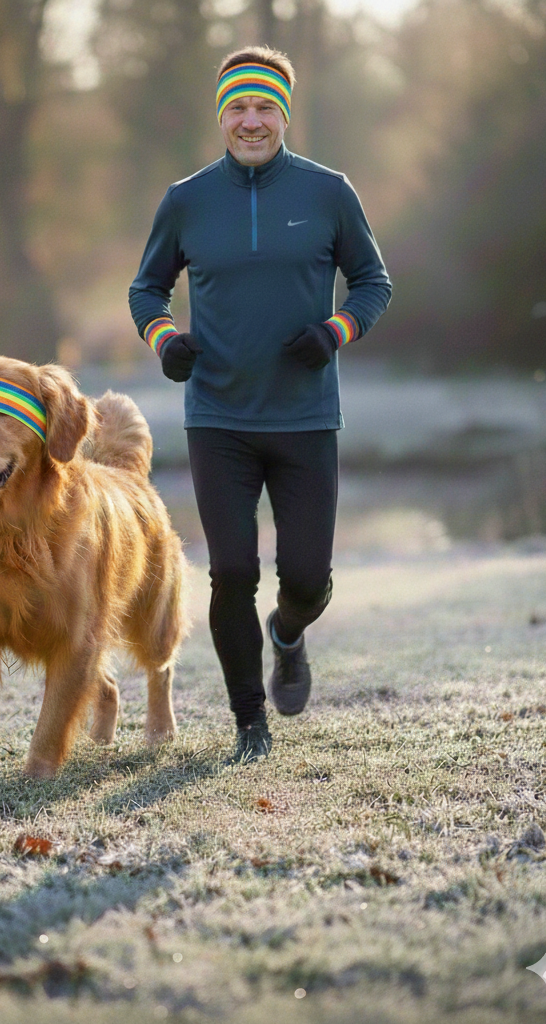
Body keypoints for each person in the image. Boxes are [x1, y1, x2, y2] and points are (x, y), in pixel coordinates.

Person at [129, 46, 392, 763]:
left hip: (306, 418)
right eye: (238, 108)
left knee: (305, 580)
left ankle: (288, 631)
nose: (252, 121)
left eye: (265, 107)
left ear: (284, 114)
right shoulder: (187, 199)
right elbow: (146, 289)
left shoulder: (328, 192)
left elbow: (373, 282)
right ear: (221, 118)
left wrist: (335, 331)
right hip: (219, 419)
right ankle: (250, 723)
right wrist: (164, 340)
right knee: (233, 573)